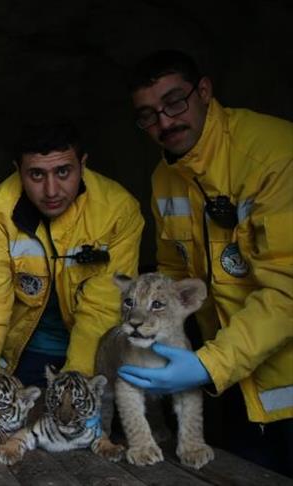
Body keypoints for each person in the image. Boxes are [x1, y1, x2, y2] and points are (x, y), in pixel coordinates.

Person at [123, 49, 292, 475]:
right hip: (228, 380)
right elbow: (172, 274)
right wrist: (164, 339)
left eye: (174, 102)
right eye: (148, 115)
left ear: (204, 91)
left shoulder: (274, 154)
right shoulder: (165, 176)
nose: (164, 122)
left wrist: (205, 364)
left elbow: (288, 289)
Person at [0, 121, 144, 420]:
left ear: (83, 164)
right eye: (36, 174)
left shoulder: (118, 209)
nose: (51, 190)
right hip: (24, 352)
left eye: (63, 172)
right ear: (18, 170)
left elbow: (102, 308)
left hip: (93, 352)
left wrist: (75, 384)